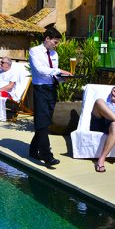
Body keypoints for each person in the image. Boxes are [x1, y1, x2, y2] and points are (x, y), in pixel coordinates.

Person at [28, 28, 71, 169]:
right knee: (42, 121)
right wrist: (59, 71)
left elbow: (54, 74)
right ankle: (47, 156)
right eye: (55, 42)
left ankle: (33, 150)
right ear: (47, 38)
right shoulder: (34, 51)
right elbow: (40, 70)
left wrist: (64, 79)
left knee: (44, 122)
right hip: (40, 88)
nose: (56, 45)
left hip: (52, 89)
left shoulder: (54, 54)